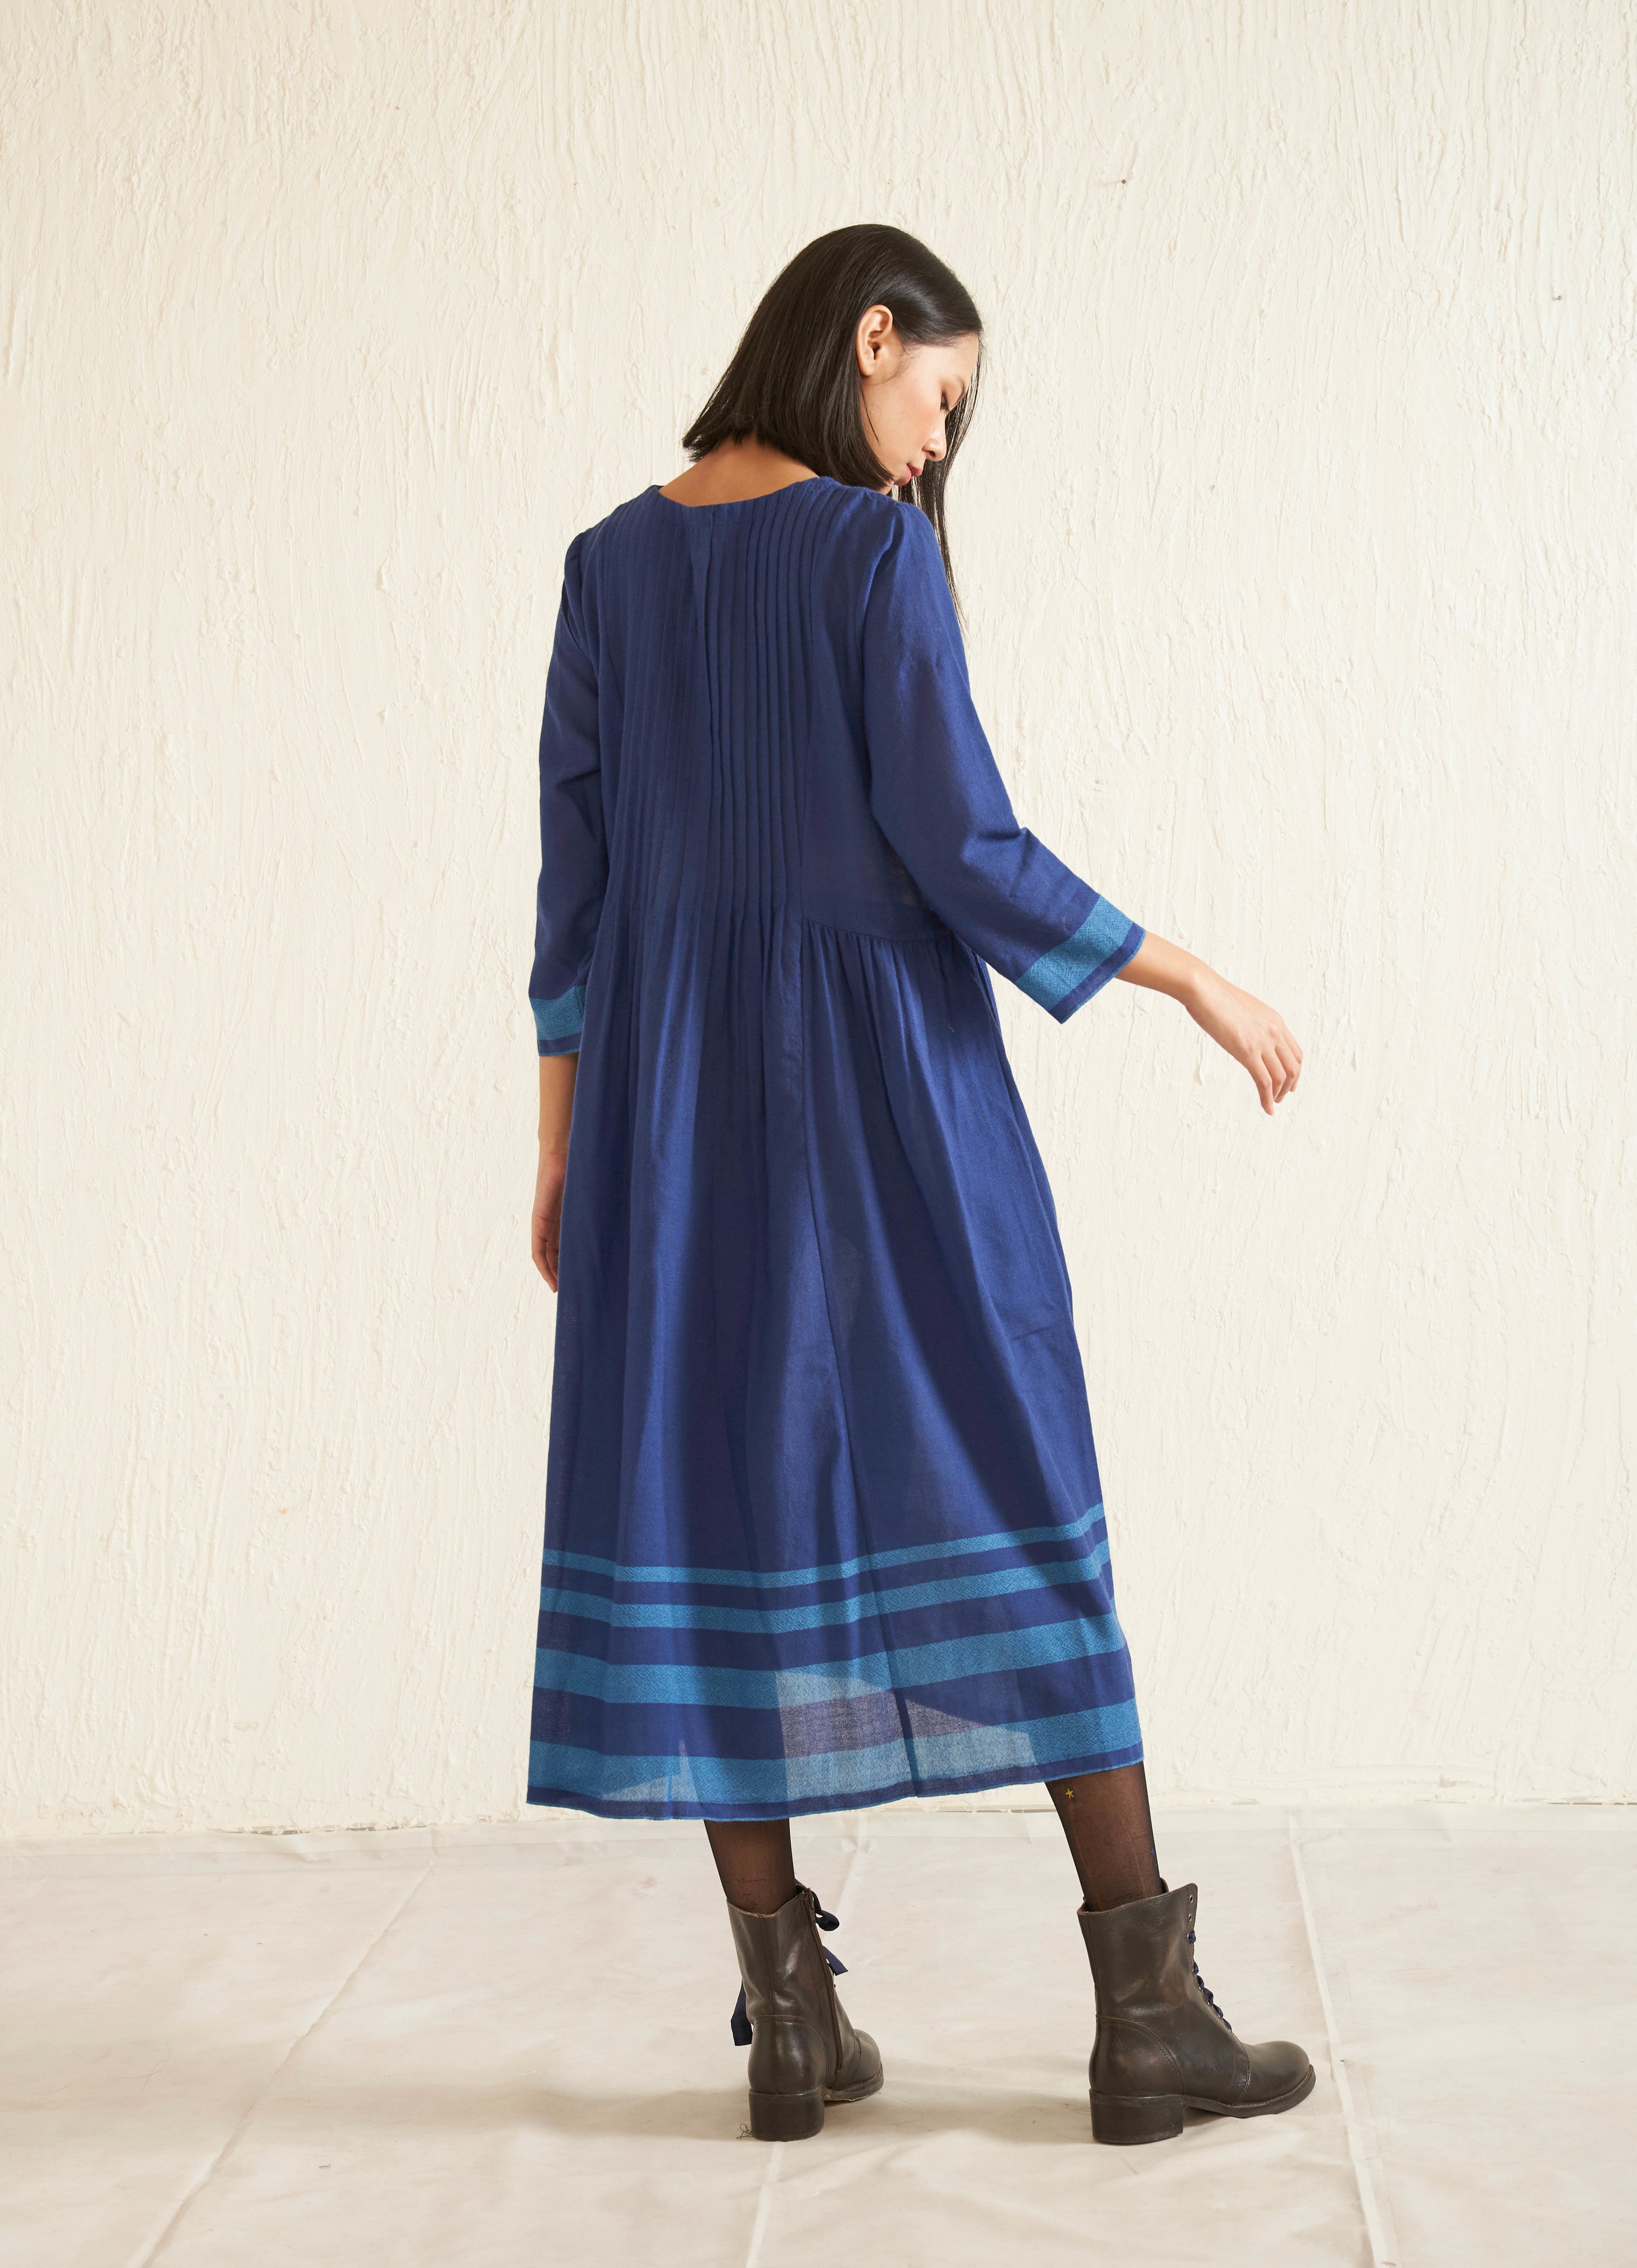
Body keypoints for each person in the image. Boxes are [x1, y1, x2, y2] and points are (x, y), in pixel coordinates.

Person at [525, 224, 1313, 2147]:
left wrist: (559, 1147)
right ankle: (1147, 2017)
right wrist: (1186, 972)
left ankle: (789, 2022)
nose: (937, 448)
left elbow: (576, 890)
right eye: (942, 399)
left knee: (708, 1489)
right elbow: (961, 843)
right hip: (881, 1071)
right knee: (1013, 1457)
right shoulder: (869, 552)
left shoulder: (608, 565)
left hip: (667, 1102)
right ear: (872, 338)